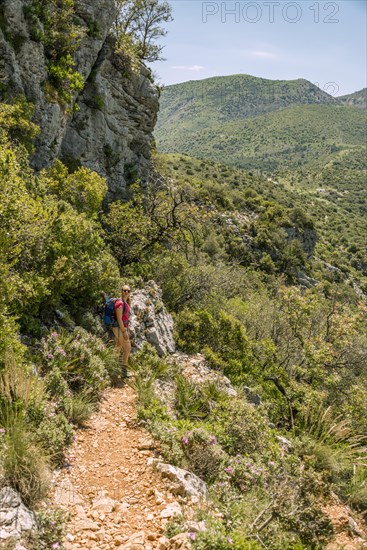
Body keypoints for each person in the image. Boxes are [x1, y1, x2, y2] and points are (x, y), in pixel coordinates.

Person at [112, 285, 132, 378]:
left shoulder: (125, 302)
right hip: (119, 328)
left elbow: (125, 317)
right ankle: (124, 372)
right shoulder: (120, 303)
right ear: (121, 291)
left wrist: (127, 329)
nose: (126, 292)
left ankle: (112, 367)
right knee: (128, 349)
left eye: (128, 291)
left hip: (122, 328)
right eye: (124, 290)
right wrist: (124, 332)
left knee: (118, 346)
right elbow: (119, 319)